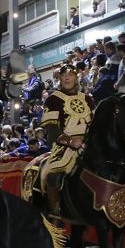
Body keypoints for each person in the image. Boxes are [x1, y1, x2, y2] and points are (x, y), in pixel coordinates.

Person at [39, 65, 93, 193]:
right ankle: (54, 209)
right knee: (53, 174)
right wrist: (70, 142)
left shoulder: (87, 99)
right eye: (63, 75)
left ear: (76, 77)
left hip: (89, 144)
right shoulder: (53, 99)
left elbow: (94, 124)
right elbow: (52, 130)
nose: (66, 78)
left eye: (70, 75)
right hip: (64, 147)